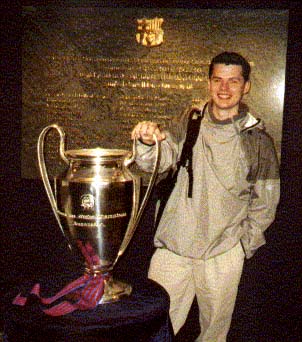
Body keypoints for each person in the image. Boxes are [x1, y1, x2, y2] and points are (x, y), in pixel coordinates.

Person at [131, 51, 280, 342]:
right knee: (154, 329)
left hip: (222, 253)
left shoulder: (257, 140)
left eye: (233, 81)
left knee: (213, 334)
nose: (224, 89)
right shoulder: (189, 121)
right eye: (218, 80)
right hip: (174, 248)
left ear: (246, 86)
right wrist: (147, 143)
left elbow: (266, 202)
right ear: (209, 83)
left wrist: (240, 246)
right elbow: (159, 162)